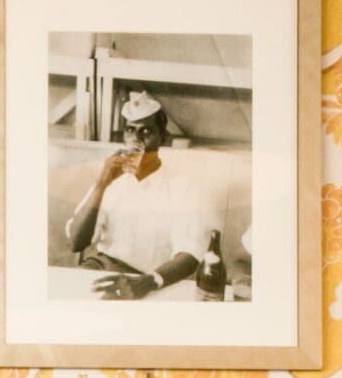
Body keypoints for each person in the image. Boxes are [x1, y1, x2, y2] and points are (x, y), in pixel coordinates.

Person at [65, 90, 231, 300]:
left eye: (146, 131)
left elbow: (190, 254)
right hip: (101, 269)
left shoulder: (184, 187)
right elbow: (76, 243)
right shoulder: (110, 179)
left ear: (164, 138)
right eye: (130, 130)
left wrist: (149, 281)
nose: (136, 139)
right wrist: (101, 184)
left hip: (154, 279)